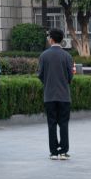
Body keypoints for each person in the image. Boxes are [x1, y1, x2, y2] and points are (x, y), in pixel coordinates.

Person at [38, 27, 74, 161]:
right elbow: (70, 76)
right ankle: (63, 152)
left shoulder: (44, 55)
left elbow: (40, 75)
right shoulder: (67, 56)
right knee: (63, 124)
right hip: (64, 96)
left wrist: (48, 82)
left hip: (49, 95)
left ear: (51, 39)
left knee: (51, 124)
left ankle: (53, 152)